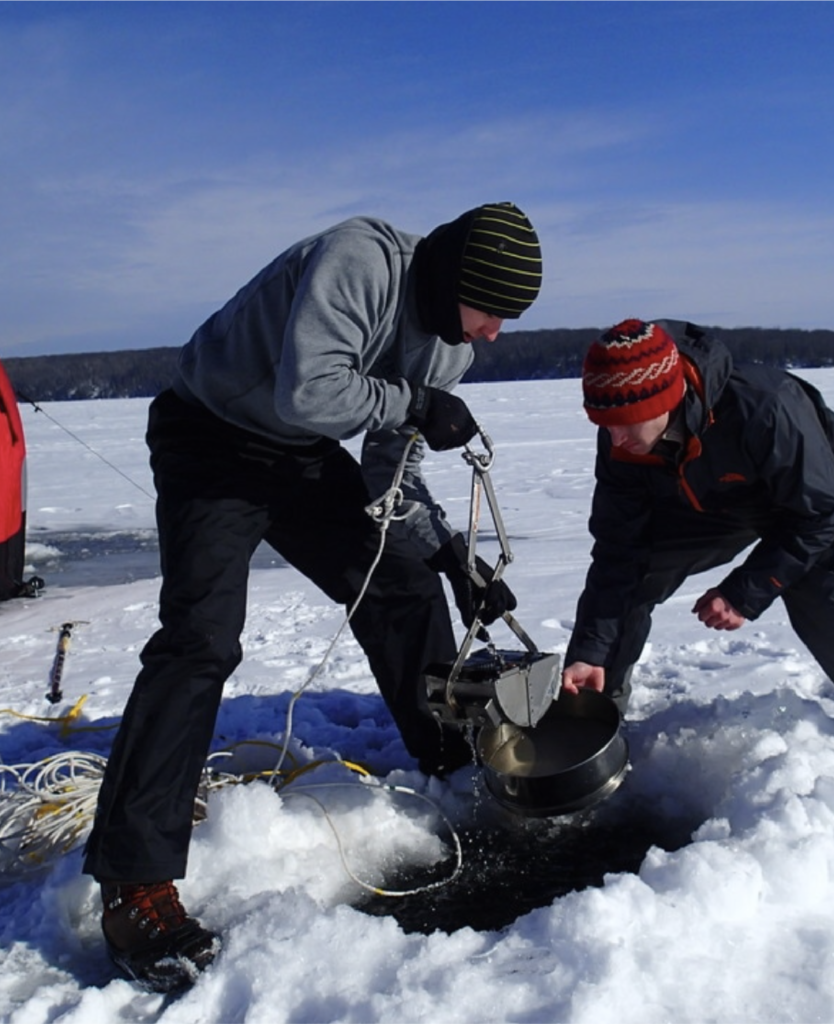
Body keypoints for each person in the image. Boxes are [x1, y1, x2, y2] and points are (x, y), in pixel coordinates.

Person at [83, 202, 543, 991]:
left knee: (399, 581)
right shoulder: (360, 261)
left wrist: (447, 552)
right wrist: (412, 404)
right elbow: (311, 392)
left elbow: (386, 476)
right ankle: (135, 885)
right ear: (453, 278)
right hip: (210, 436)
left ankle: (450, 758)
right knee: (200, 639)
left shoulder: (450, 347)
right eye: (492, 310)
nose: (495, 331)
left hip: (297, 455)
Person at [563, 318, 834, 780]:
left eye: (623, 425)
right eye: (603, 424)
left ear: (666, 400)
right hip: (708, 498)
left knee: (831, 606)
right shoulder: (623, 438)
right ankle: (588, 740)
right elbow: (618, 549)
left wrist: (746, 590)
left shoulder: (765, 406)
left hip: (815, 497)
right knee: (632, 579)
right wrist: (589, 651)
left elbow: (819, 512)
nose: (613, 437)